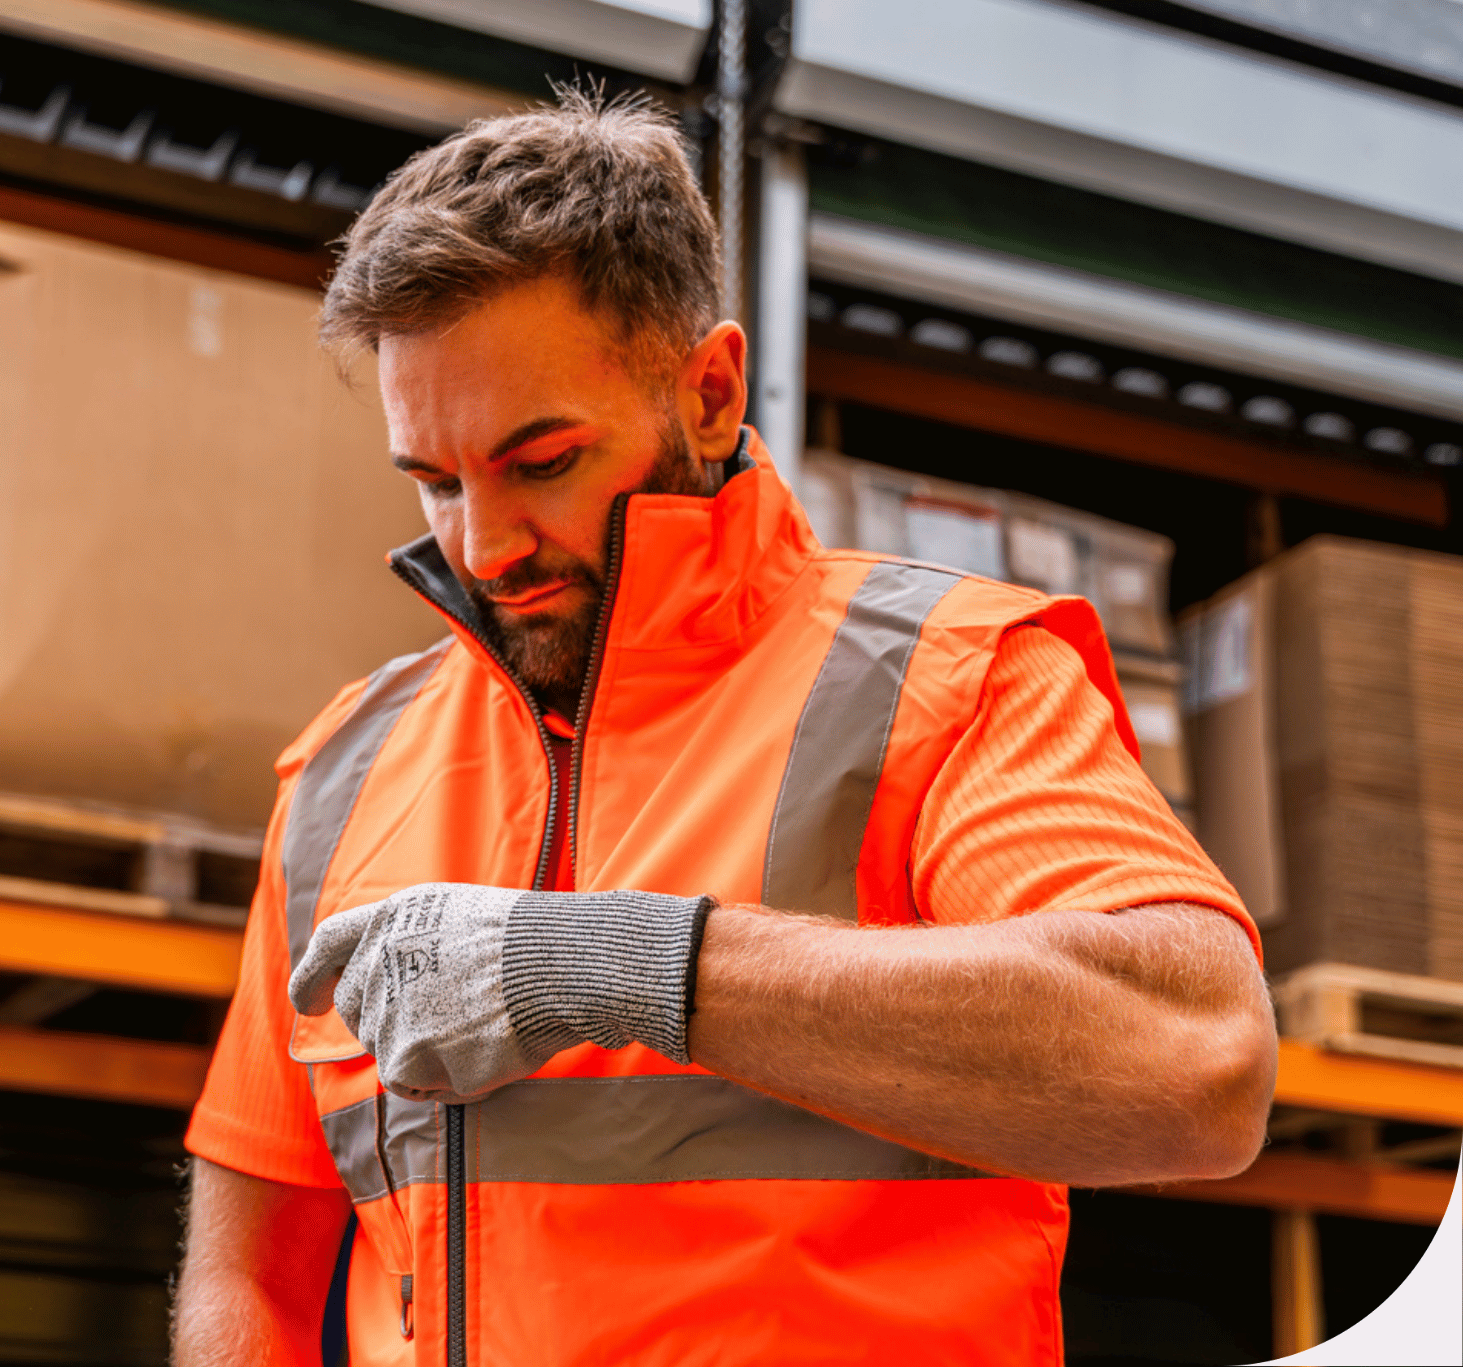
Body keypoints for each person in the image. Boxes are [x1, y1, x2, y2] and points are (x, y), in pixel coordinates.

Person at [171, 89, 1275, 1367]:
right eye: (434, 480)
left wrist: (619, 964)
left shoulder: (946, 678)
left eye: (541, 462)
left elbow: (1198, 1059)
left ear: (706, 391)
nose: (481, 547)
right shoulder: (343, 773)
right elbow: (248, 1276)